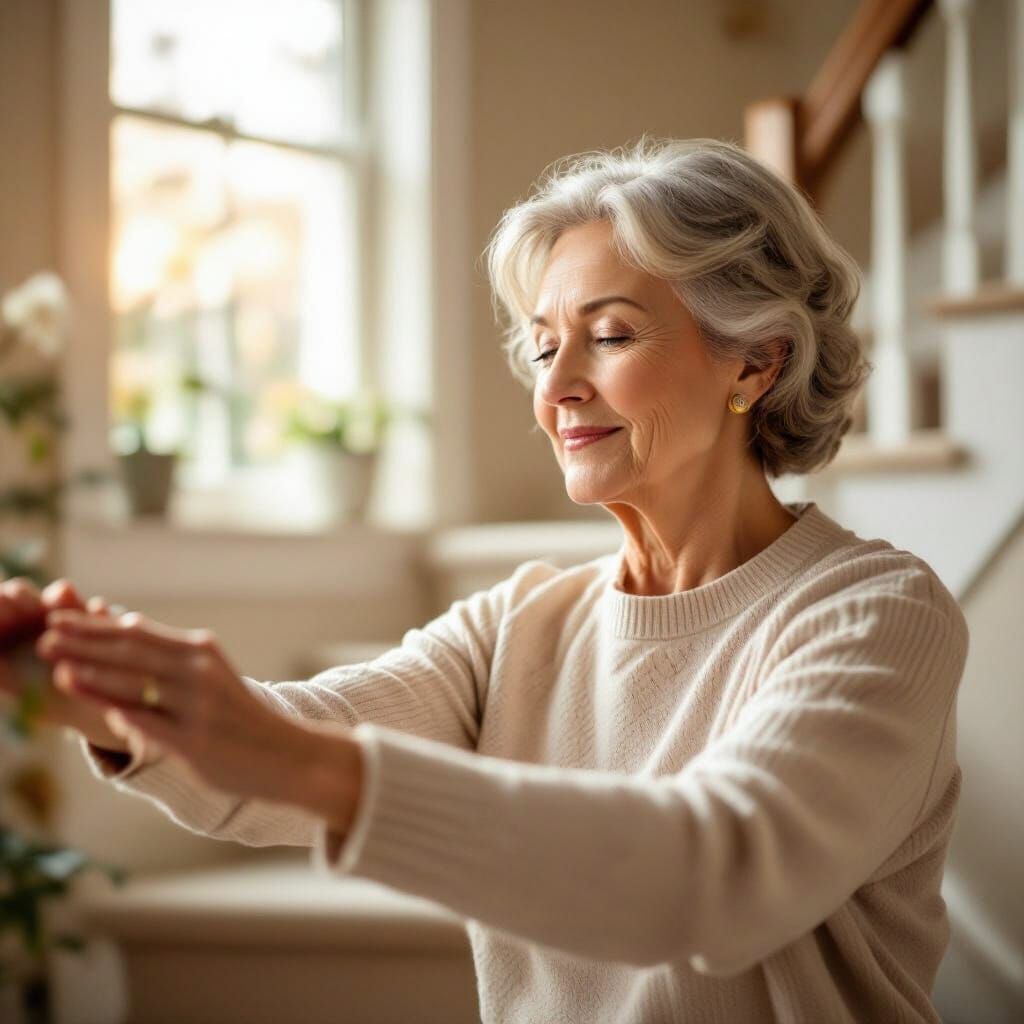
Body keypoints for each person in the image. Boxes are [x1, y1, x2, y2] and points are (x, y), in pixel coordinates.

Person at [0, 138, 968, 1024]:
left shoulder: (876, 612)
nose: (554, 388)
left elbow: (709, 874)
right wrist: (90, 690)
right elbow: (286, 754)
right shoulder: (524, 622)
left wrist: (286, 752)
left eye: (611, 334)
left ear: (755, 361)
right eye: (545, 344)